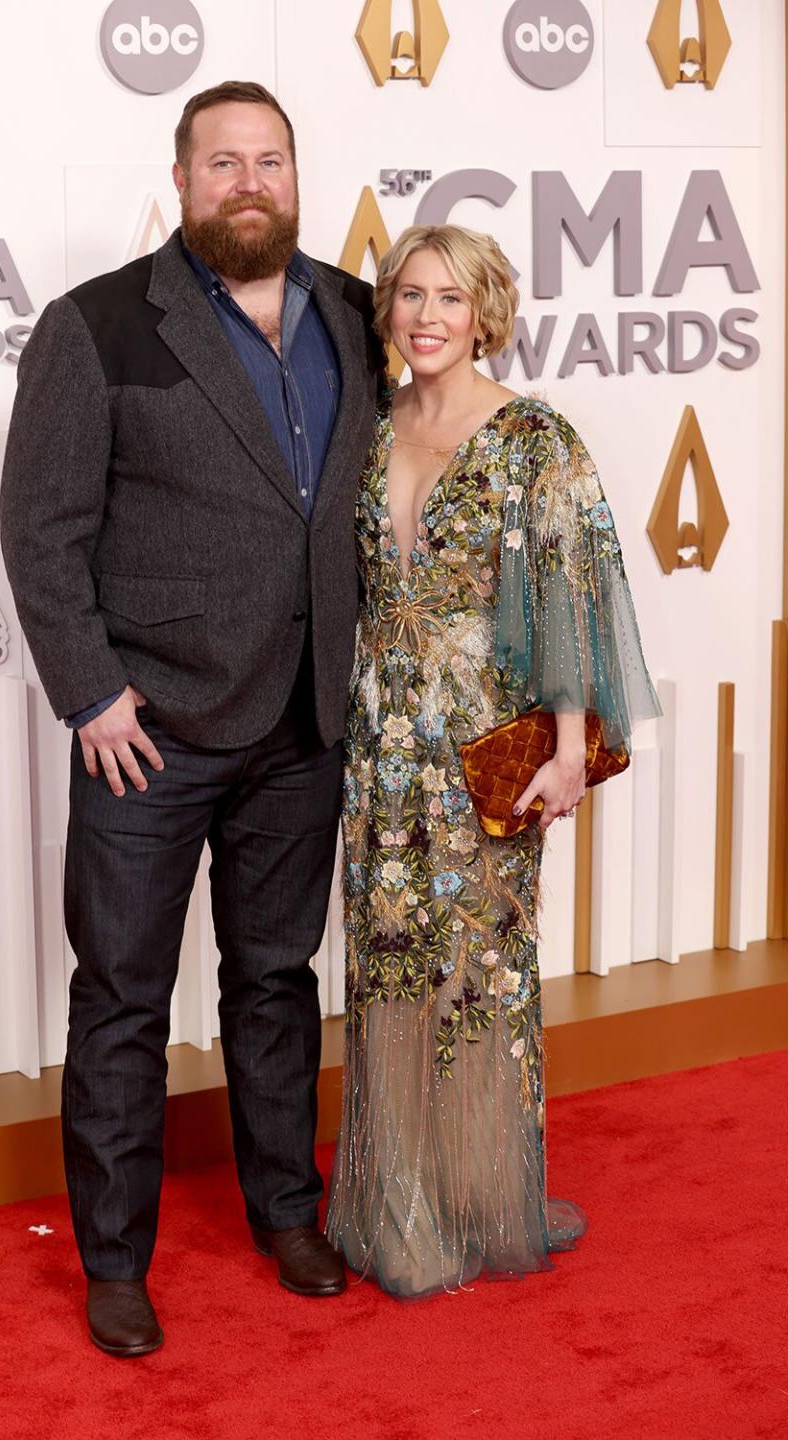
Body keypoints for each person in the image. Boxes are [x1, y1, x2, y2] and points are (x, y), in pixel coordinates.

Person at [0, 81, 383, 1356]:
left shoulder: (358, 314)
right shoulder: (96, 325)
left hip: (301, 723)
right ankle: (115, 1261)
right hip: (146, 734)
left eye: (271, 159)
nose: (251, 182)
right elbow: (41, 528)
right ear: (182, 181)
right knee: (123, 1001)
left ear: (295, 174)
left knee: (276, 981)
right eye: (225, 163)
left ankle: (287, 1213)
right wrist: (90, 690)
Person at [325, 224, 660, 1299]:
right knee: (388, 958)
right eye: (410, 296)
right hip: (381, 745)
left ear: (486, 313)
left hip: (485, 750)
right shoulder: (369, 429)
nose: (427, 317)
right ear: (391, 315)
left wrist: (569, 753)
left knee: (479, 971)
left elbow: (572, 599)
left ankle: (480, 1195)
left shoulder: (531, 440)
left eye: (451, 299)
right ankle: (404, 1203)